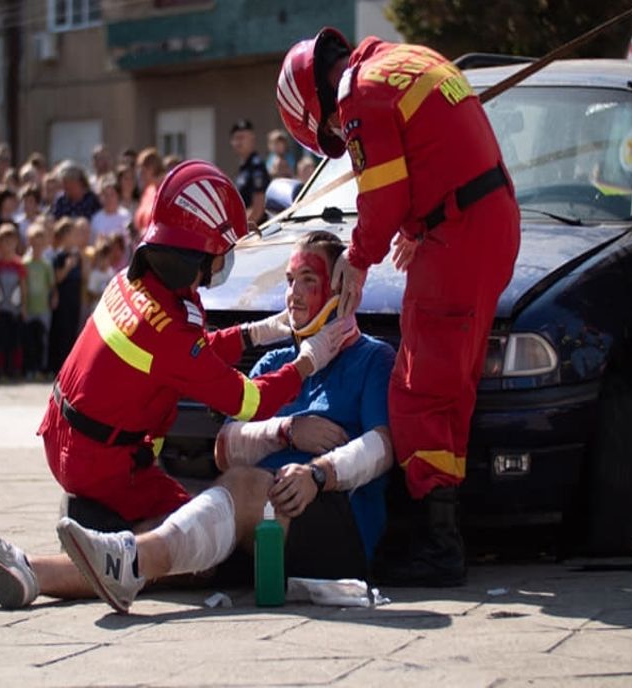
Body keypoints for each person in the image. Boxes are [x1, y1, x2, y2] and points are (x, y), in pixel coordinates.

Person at [0, 160, 352, 610]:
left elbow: (186, 353)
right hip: (104, 463)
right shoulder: (170, 332)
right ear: (195, 257)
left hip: (64, 437)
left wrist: (255, 333)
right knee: (194, 538)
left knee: (194, 518)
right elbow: (248, 400)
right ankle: (50, 568)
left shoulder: (132, 283)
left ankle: (32, 569)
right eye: (220, 254)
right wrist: (306, 362)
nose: (222, 264)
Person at [276, 28, 521, 585]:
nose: (342, 132)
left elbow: (381, 192)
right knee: (451, 384)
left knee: (418, 391)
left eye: (333, 131)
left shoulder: (359, 93)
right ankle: (445, 533)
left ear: (319, 104)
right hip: (486, 218)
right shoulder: (412, 58)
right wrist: (419, 224)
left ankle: (436, 546)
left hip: (458, 233)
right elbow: (429, 155)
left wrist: (359, 258)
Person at [0, 224, 26, 380]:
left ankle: (15, 368)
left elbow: (23, 287)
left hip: (16, 309)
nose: (8, 245)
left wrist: (24, 307)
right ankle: (0, 368)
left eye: (11, 242)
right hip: (1, 307)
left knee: (16, 340)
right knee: (0, 340)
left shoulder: (19, 264)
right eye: (5, 242)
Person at [48, 217, 82, 372]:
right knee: (61, 332)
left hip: (74, 298)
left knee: (72, 332)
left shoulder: (77, 256)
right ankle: (59, 365)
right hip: (63, 298)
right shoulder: (59, 257)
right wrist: (67, 267)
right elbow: (57, 278)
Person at [23, 222, 54, 377]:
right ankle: (29, 368)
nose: (38, 245)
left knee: (42, 341)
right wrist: (23, 307)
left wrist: (54, 298)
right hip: (29, 307)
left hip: (43, 308)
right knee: (29, 341)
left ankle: (41, 368)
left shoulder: (46, 264)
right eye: (34, 242)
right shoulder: (25, 263)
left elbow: (51, 285)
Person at [229, 119, 270, 225]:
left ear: (252, 139)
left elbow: (258, 209)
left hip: (254, 231)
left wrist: (239, 231)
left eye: (242, 138)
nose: (238, 142)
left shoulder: (256, 166)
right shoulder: (244, 167)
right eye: (235, 138)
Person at [89, 174, 131, 240]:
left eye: (112, 194)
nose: (109, 198)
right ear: (101, 198)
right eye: (105, 195)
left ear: (118, 196)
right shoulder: (96, 219)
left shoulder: (126, 215)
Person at [132, 147, 163, 233]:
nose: (140, 175)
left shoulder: (166, 190)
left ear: (152, 168)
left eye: (142, 171)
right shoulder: (148, 190)